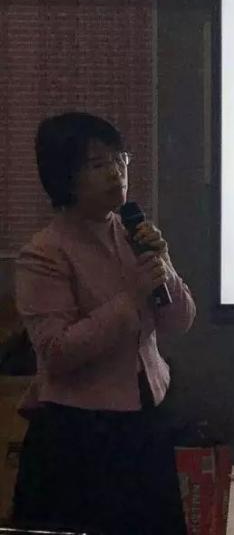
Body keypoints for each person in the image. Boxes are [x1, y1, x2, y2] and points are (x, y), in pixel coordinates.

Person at [13, 112, 195, 535]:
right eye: (98, 164)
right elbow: (57, 353)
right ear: (64, 177)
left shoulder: (136, 233)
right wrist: (132, 297)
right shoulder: (44, 254)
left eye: (119, 159)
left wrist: (163, 265)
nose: (116, 173)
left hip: (146, 423)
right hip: (79, 437)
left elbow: (180, 321)